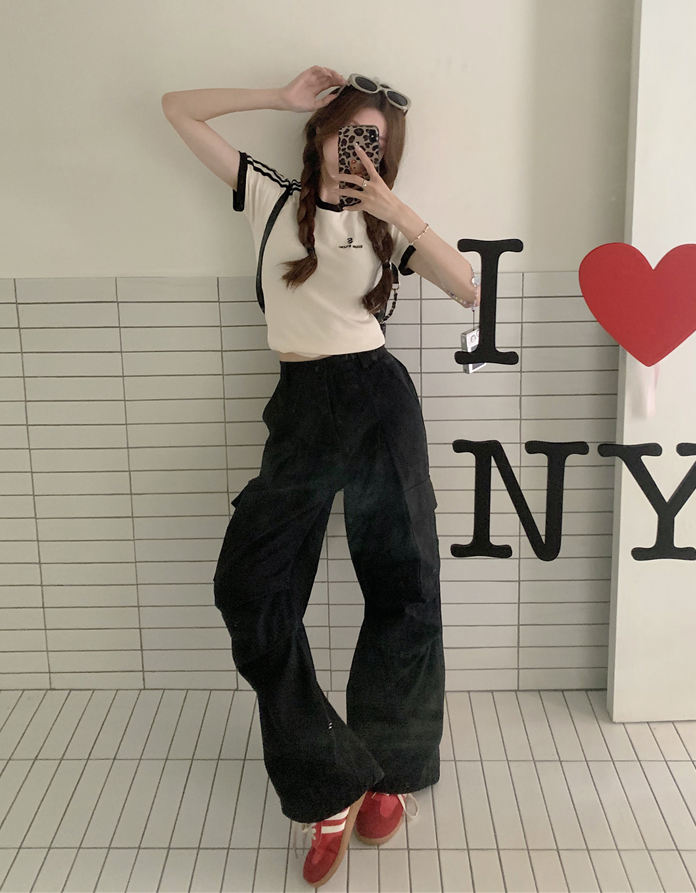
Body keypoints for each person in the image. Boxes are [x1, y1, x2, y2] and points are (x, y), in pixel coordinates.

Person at [161, 67, 480, 889]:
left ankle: (393, 773)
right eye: (347, 132)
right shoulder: (270, 198)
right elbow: (177, 108)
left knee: (405, 583)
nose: (356, 149)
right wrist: (277, 97)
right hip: (302, 405)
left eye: (372, 139)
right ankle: (329, 779)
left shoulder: (383, 224)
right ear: (321, 132)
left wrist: (397, 209)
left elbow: (469, 290)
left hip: (377, 399)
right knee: (251, 588)